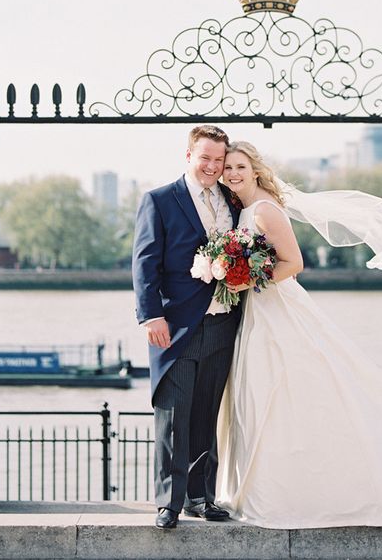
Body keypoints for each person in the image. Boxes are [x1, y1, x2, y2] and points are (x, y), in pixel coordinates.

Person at [214, 141, 382, 528]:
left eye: (239, 166)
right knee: (263, 395)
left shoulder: (265, 210)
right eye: (227, 168)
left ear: (254, 169)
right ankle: (271, 487)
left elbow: (295, 263)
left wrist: (245, 279)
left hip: (276, 310)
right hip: (257, 312)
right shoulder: (244, 209)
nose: (232, 173)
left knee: (294, 388)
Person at [132, 125, 242, 529]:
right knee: (173, 417)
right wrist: (150, 316)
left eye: (219, 159)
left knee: (205, 415)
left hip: (223, 323)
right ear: (189, 156)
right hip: (173, 327)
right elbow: (144, 262)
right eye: (205, 158)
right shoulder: (160, 200)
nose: (212, 166)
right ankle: (169, 503)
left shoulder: (233, 200)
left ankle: (201, 497)